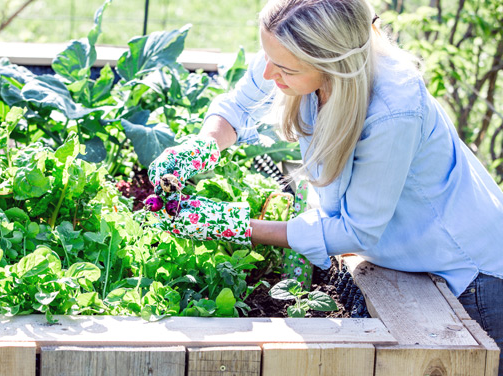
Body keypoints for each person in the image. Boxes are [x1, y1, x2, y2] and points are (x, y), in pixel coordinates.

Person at [147, 0, 503, 372]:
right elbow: (238, 106)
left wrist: (237, 227)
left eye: (284, 68)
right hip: (410, 258)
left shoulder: (392, 110)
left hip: (468, 274)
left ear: (332, 64)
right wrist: (201, 146)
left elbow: (357, 229)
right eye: (268, 57)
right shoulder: (290, 50)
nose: (269, 73)